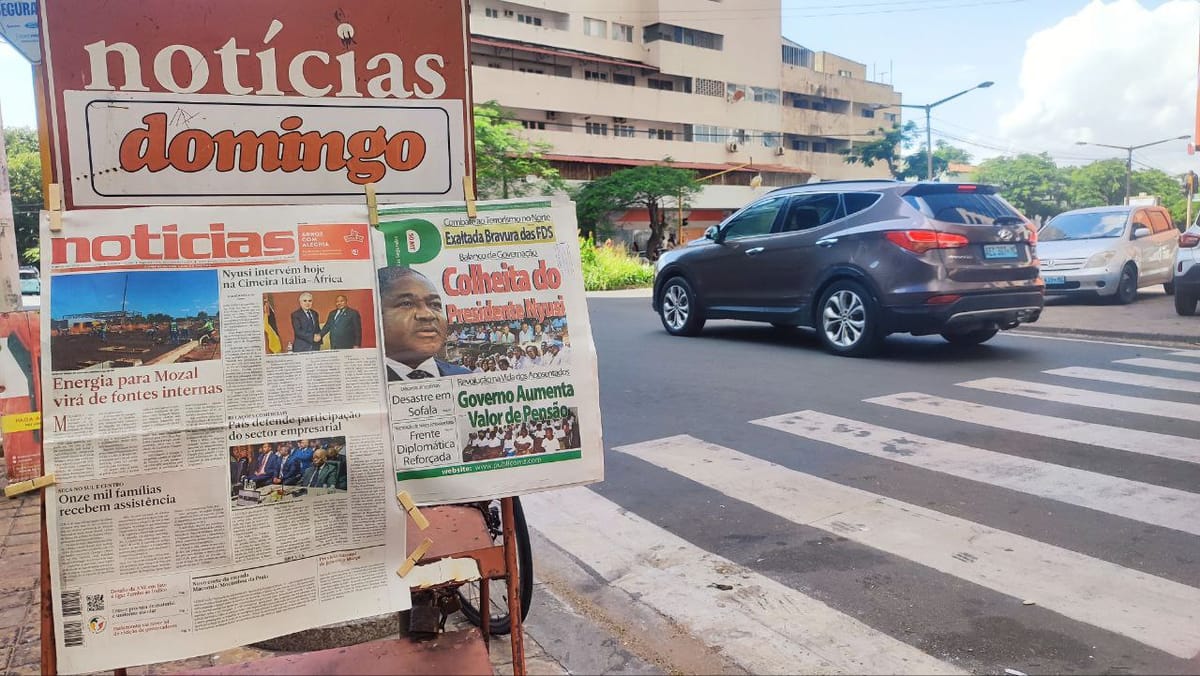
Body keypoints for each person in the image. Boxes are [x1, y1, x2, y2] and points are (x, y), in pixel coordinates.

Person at [378, 267, 471, 380]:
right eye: (407, 303)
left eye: (435, 304)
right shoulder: (369, 381)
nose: (428, 315)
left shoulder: (465, 376)